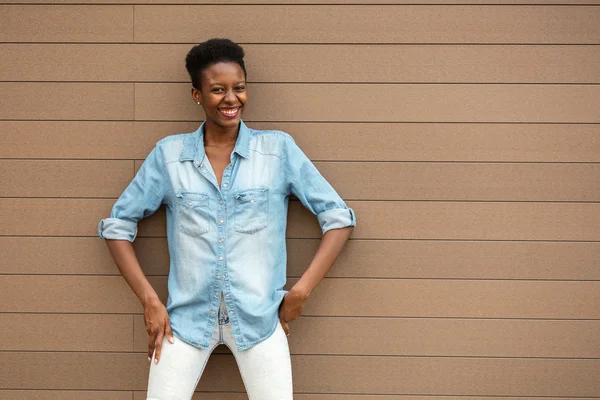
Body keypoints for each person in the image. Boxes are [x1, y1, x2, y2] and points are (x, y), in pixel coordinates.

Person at [98, 38, 356, 400]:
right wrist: (150, 302)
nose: (231, 99)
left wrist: (301, 291)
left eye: (239, 88)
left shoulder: (277, 150)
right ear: (197, 95)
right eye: (217, 90)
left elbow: (338, 218)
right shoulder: (170, 155)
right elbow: (117, 227)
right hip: (185, 323)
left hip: (259, 321)